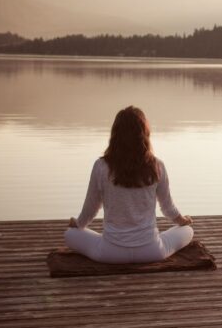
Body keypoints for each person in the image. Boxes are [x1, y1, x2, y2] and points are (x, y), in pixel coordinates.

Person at [64, 106, 194, 263]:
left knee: (70, 234)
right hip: (152, 251)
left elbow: (91, 207)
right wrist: (182, 221)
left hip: (110, 253)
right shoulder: (157, 165)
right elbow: (167, 208)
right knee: (187, 230)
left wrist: (78, 224)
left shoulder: (101, 166)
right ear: (144, 134)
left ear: (115, 135)